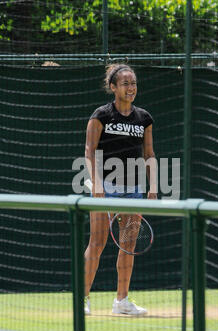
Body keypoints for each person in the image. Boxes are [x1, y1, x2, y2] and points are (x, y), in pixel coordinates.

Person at [84, 63, 157, 315]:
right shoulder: (101, 115)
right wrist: (96, 185)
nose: (131, 88)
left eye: (133, 83)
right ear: (113, 87)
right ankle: (82, 300)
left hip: (134, 189)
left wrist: (153, 186)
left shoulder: (144, 118)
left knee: (128, 245)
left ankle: (121, 302)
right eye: (125, 83)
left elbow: (149, 154)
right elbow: (89, 151)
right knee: (97, 242)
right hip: (105, 187)